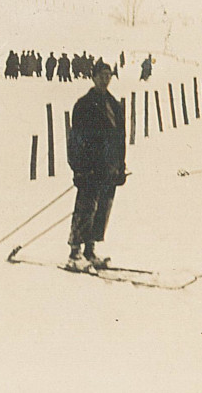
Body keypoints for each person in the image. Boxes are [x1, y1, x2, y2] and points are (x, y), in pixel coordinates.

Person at [66, 62, 127, 270]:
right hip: (90, 167)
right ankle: (75, 253)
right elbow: (75, 139)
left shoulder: (114, 105)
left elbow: (120, 137)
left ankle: (89, 251)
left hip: (109, 167)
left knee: (101, 209)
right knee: (85, 208)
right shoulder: (83, 104)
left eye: (108, 75)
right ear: (93, 77)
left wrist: (120, 166)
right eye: (102, 75)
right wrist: (79, 168)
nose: (105, 79)